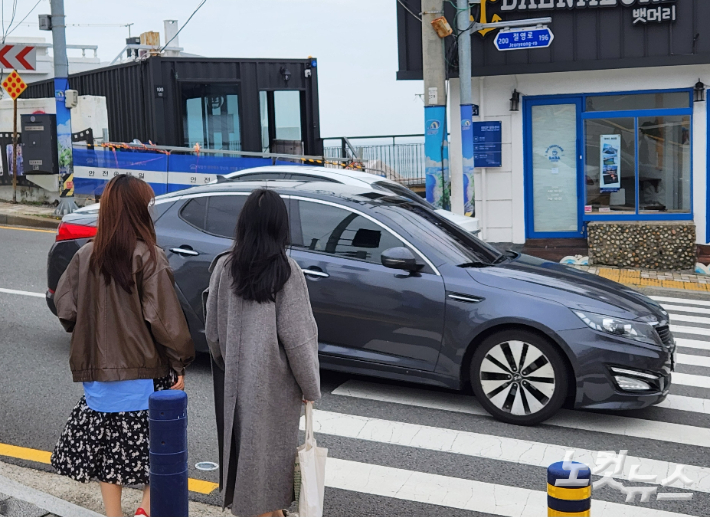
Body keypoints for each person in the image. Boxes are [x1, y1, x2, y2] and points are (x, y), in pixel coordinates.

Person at [51, 174, 195, 517]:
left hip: (100, 375)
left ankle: (113, 514)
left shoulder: (85, 256)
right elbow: (164, 320)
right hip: (145, 371)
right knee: (161, 444)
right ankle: (145, 509)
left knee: (107, 449)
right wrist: (180, 361)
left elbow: (66, 311)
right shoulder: (149, 256)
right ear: (137, 210)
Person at [205, 188, 321, 517]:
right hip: (277, 389)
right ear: (279, 227)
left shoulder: (224, 268)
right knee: (273, 465)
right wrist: (310, 388)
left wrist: (230, 361)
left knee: (246, 462)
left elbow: (212, 333)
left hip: (237, 385)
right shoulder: (287, 271)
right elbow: (299, 338)